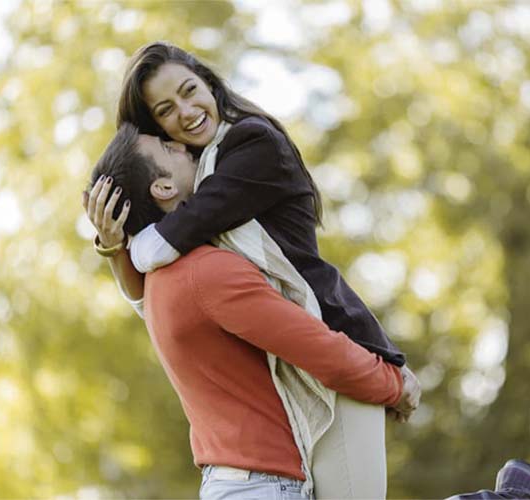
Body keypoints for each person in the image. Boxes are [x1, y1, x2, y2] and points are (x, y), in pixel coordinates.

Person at [88, 40, 420, 498]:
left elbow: (166, 244)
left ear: (209, 82)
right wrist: (112, 245)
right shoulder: (196, 175)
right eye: (166, 111)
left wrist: (125, 241)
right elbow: (153, 300)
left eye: (190, 90)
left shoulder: (251, 144)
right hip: (297, 380)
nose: (186, 112)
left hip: (341, 351)